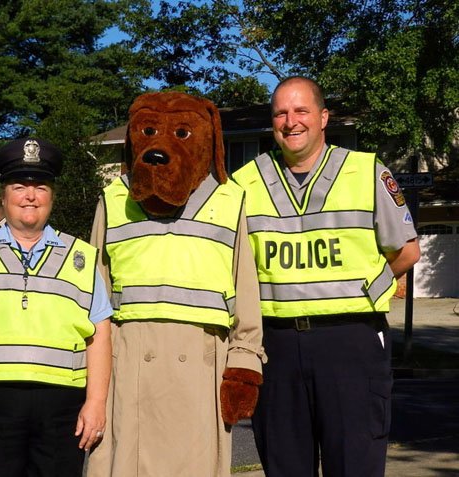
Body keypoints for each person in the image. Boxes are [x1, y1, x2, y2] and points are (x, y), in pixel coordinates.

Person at [232, 76, 420, 477]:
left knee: (354, 465)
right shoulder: (244, 183)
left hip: (350, 343)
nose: (291, 121)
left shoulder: (365, 171)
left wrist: (366, 291)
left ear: (323, 117)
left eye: (301, 110)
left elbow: (407, 250)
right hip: (275, 346)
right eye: (281, 112)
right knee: (284, 467)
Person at [87, 91, 266, 477]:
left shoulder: (230, 200)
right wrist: (90, 375)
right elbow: (94, 296)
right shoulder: (113, 199)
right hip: (128, 361)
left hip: (203, 363)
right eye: (148, 131)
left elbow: (246, 293)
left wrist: (244, 364)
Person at [0, 138, 112, 477]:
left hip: (64, 412)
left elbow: (100, 336)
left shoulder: (82, 258)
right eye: (19, 186)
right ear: (3, 197)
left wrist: (96, 403)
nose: (30, 196)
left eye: (40, 187)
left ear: (52, 197)